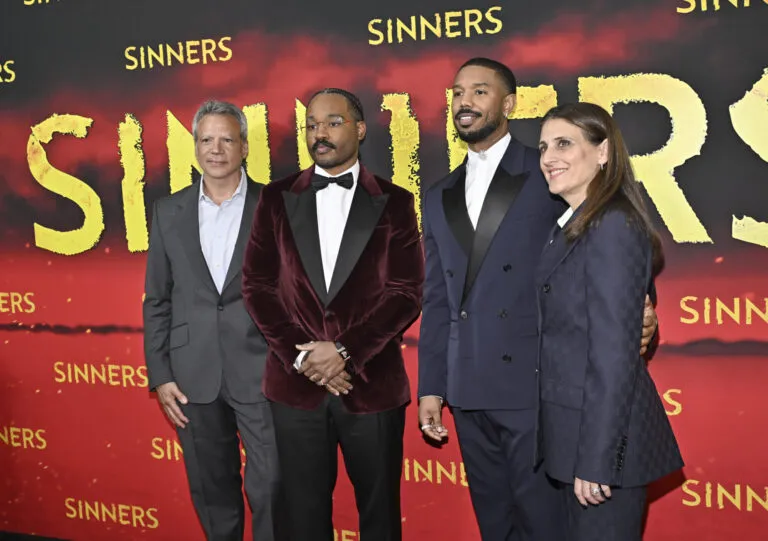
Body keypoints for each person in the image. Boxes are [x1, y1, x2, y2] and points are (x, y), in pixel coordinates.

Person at [417, 58, 659, 541]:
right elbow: (438, 296)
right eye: (458, 92)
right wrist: (432, 384)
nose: (465, 101)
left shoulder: (550, 171)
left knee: (544, 525)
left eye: (479, 91)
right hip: (468, 389)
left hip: (535, 390)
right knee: (497, 527)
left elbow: (609, 239)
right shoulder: (438, 192)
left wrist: (643, 305)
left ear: (508, 104)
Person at [241, 88, 423, 541]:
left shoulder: (396, 201)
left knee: (380, 519)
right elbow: (257, 286)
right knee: (301, 519)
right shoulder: (276, 198)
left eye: (332, 122)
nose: (319, 133)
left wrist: (344, 350)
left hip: (372, 386)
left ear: (360, 130)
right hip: (294, 387)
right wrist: (303, 357)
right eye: (311, 125)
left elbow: (406, 292)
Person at [535, 102, 683, 541]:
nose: (548, 157)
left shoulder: (612, 224)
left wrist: (597, 460)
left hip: (602, 451)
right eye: (543, 146)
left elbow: (613, 358)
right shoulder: (575, 224)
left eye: (564, 143)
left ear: (603, 153)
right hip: (573, 439)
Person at [143, 100, 282, 541]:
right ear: (194, 147)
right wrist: (161, 373)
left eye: (226, 139)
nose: (216, 149)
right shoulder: (169, 211)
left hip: (262, 369)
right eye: (206, 139)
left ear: (244, 146)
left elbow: (297, 291)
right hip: (191, 375)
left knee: (273, 485)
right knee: (210, 487)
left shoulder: (277, 205)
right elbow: (158, 298)